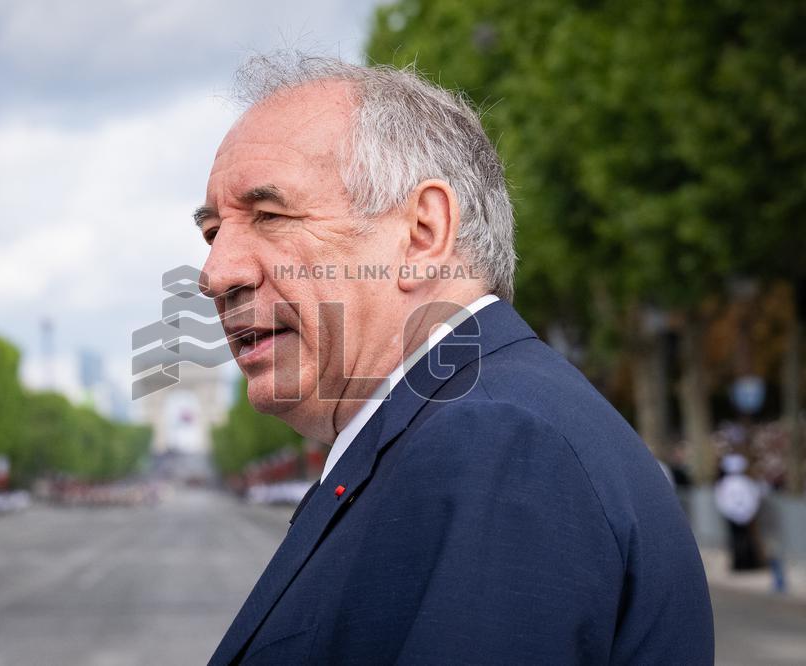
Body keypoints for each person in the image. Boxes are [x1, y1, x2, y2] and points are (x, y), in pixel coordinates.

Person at [197, 54, 713, 664]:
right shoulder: (469, 424)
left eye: (269, 215)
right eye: (212, 233)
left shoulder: (495, 440)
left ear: (422, 232)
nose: (213, 273)